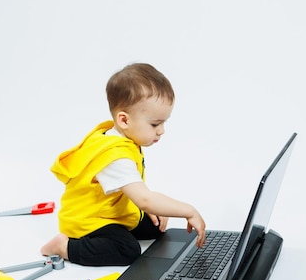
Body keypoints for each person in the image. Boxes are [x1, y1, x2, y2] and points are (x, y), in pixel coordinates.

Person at [41, 62, 206, 266]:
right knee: (128, 250)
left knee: (155, 227)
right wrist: (188, 211)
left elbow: (134, 189)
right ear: (124, 120)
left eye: (164, 123)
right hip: (89, 220)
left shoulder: (118, 136)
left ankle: (123, 225)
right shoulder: (114, 156)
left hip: (111, 210)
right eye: (155, 124)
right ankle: (65, 247)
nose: (161, 131)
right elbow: (144, 199)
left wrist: (150, 208)